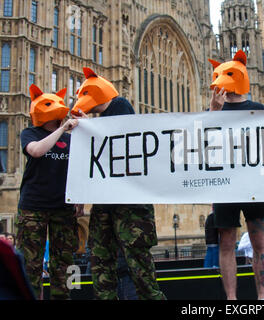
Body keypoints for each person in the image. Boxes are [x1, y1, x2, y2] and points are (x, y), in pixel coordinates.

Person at [71, 67, 166, 300]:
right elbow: (91, 160)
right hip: (105, 204)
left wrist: (89, 127)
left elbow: (122, 141)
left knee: (140, 272)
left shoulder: (120, 105)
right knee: (101, 265)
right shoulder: (98, 122)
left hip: (130, 207)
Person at [208, 50, 264, 300]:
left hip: (254, 183)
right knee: (227, 244)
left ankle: (262, 297)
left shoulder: (258, 108)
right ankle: (231, 300)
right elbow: (204, 144)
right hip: (224, 184)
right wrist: (213, 111)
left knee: (260, 242)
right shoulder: (214, 110)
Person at [15, 84, 81, 300]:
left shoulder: (71, 140)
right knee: (30, 266)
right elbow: (36, 151)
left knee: (64, 266)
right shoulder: (30, 133)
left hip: (63, 209)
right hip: (34, 208)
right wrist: (62, 130)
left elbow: (81, 169)